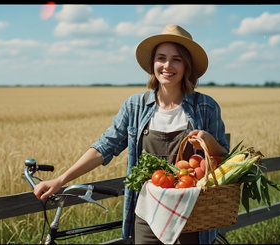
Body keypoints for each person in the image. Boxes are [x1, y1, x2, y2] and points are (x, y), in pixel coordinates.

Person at [33, 24, 229, 244]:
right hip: (147, 214)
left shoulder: (205, 106)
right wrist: (60, 180)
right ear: (153, 63)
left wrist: (210, 142)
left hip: (191, 215)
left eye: (176, 59)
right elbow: (104, 147)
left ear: (186, 66)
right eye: (161, 58)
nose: (167, 66)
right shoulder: (135, 106)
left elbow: (225, 157)